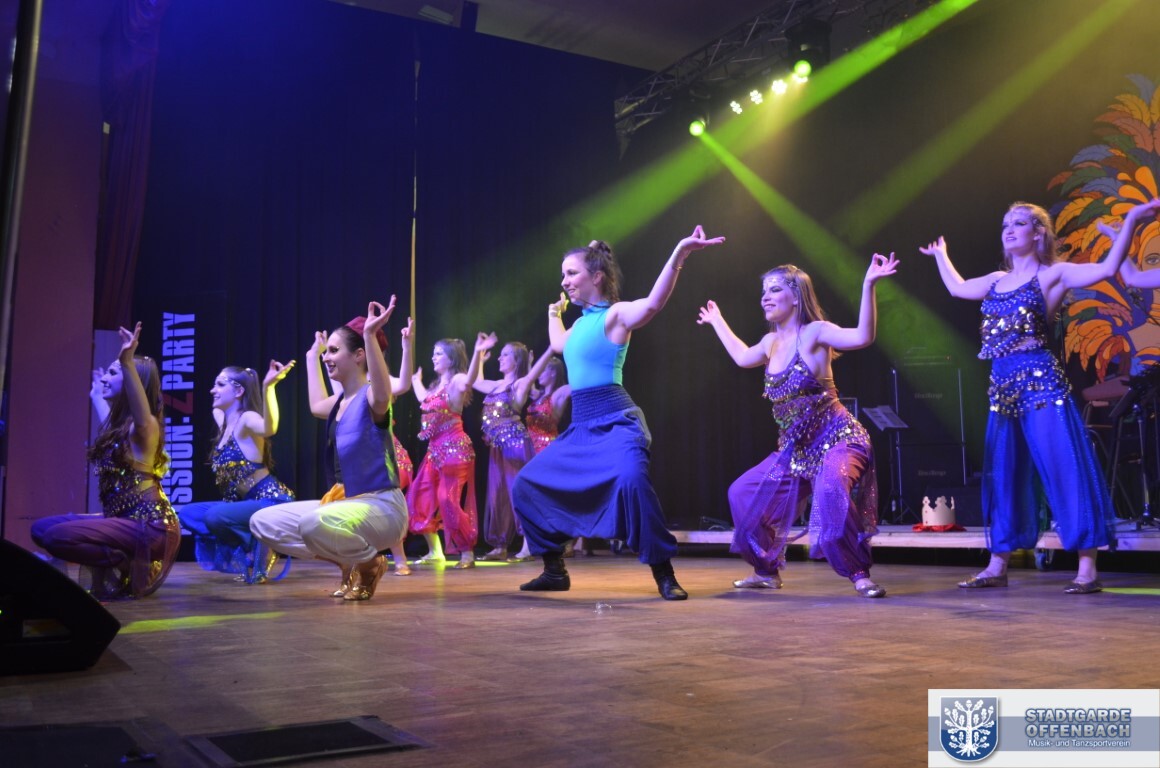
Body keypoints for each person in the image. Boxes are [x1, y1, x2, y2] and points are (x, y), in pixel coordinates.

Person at [920, 201, 1134, 593]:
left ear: (1039, 233)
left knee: (1063, 468)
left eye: (1018, 223)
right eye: (1005, 224)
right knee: (1005, 475)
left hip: (1041, 385)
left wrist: (1132, 222)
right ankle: (997, 564)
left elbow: (1106, 269)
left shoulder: (1053, 274)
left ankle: (1087, 568)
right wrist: (941, 255)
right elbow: (957, 288)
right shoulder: (996, 280)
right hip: (1003, 388)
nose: (1009, 229)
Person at [512, 226, 725, 600]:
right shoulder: (579, 324)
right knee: (526, 484)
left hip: (616, 420)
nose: (564, 281)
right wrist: (553, 314)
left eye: (571, 273)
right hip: (581, 428)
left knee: (631, 482)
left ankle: (663, 572)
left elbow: (653, 304)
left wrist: (679, 252)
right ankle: (554, 569)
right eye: (563, 275)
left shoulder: (616, 315)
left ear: (597, 277)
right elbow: (559, 343)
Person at [697, 255, 898, 598]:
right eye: (763, 291)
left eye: (775, 290)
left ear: (796, 296)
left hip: (839, 440)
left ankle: (859, 574)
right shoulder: (770, 343)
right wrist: (717, 321)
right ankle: (766, 571)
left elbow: (863, 336)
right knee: (742, 493)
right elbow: (742, 357)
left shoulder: (816, 332)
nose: (765, 297)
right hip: (797, 453)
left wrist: (868, 285)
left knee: (831, 491)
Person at [249, 299, 409, 601]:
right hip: (346, 506)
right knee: (263, 522)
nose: (328, 357)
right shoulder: (338, 404)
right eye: (327, 352)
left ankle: (369, 563)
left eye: (334, 351)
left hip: (382, 507)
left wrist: (370, 336)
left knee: (313, 524)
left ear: (359, 355)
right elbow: (314, 405)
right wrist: (313, 356)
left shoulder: (372, 398)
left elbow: (382, 393)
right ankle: (351, 559)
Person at [32, 322, 181, 599]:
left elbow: (141, 414)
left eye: (113, 374)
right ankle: (123, 556)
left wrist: (127, 361)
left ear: (133, 383)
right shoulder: (119, 430)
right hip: (123, 521)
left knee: (56, 537)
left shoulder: (145, 429)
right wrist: (97, 394)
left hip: (150, 526)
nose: (104, 379)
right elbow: (106, 413)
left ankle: (126, 562)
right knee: (40, 529)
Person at [178, 362, 296, 583]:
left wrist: (268, 387)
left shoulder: (247, 419)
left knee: (215, 516)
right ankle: (251, 543)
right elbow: (216, 409)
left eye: (220, 385)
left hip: (270, 502)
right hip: (241, 505)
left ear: (239, 391)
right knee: (188, 514)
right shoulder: (224, 421)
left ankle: (264, 542)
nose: (212, 390)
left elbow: (270, 428)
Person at [407, 337, 480, 569]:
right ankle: (435, 551)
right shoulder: (436, 386)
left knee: (447, 500)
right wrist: (415, 380)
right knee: (419, 497)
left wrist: (478, 352)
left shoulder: (457, 380)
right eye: (434, 353)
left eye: (438, 353)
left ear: (452, 358)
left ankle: (467, 552)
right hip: (434, 453)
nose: (433, 357)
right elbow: (423, 399)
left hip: (455, 450)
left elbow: (470, 380)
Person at [472, 334, 538, 562]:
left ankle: (528, 546)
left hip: (515, 445)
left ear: (517, 360)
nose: (499, 358)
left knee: (518, 493)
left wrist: (535, 361)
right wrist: (478, 355)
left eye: (505, 354)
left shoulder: (518, 385)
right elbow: (475, 381)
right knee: (498, 494)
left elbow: (530, 376)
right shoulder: (495, 385)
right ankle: (500, 545)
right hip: (497, 447)